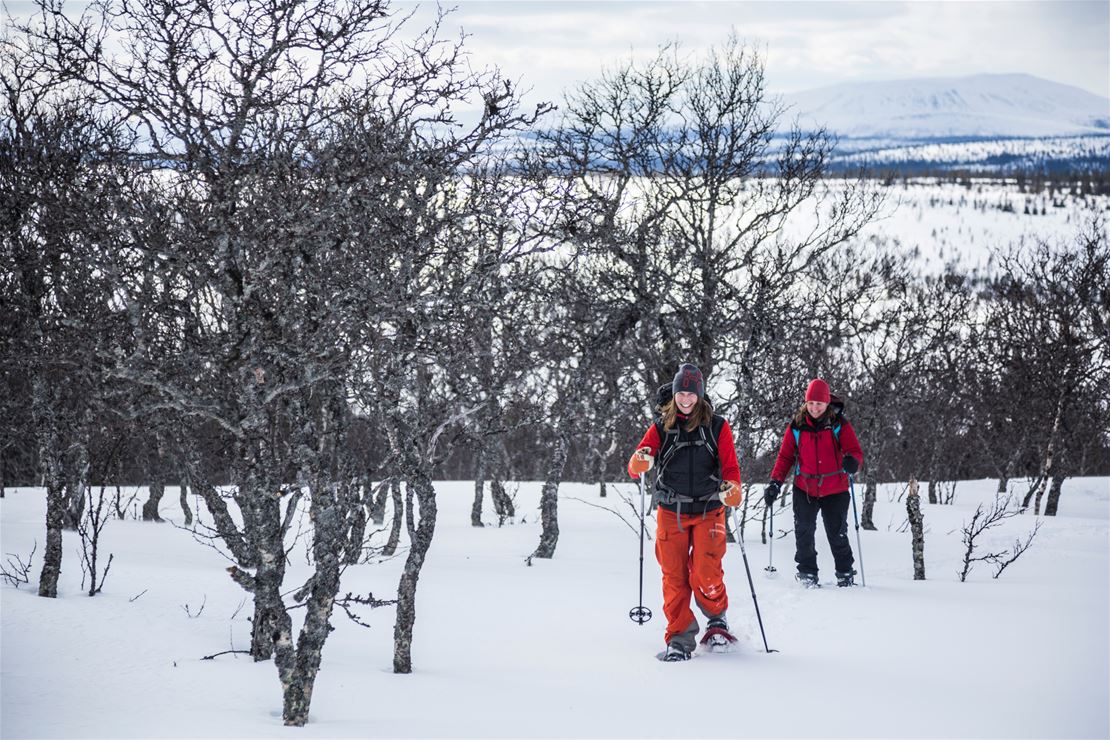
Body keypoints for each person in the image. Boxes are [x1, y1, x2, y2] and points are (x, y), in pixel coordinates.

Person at [628, 363, 742, 662]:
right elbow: (639, 459)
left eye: (691, 394)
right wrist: (639, 462)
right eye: (681, 393)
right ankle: (679, 636)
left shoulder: (718, 426)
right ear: (675, 394)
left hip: (708, 508)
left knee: (706, 571)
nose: (686, 399)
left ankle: (717, 618)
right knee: (674, 577)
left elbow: (730, 467)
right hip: (671, 510)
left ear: (700, 395)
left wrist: (733, 488)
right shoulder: (661, 426)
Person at [764, 378, 864, 588]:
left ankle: (845, 572)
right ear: (805, 403)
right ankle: (807, 573)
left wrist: (852, 462)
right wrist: (775, 483)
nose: (814, 408)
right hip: (805, 488)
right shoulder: (797, 426)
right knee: (804, 532)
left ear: (827, 403)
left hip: (835, 488)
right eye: (810, 403)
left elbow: (854, 451)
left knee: (837, 533)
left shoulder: (838, 424)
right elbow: (785, 457)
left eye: (819, 403)